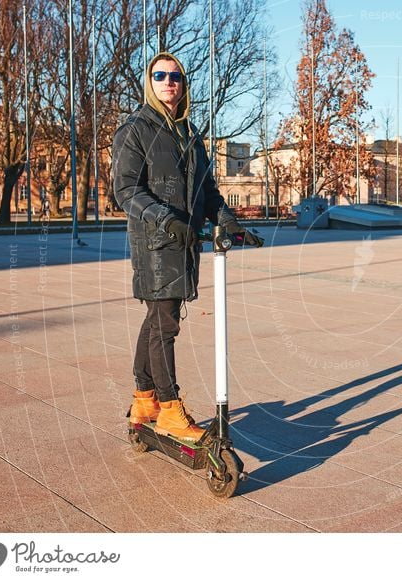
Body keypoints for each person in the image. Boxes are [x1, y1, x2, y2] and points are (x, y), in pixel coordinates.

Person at [112, 51, 262, 442]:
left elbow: (207, 190)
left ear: (183, 84)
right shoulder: (135, 129)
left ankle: (144, 398)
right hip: (156, 240)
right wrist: (164, 218)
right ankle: (170, 409)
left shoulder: (190, 134)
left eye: (175, 76)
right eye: (160, 75)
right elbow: (126, 190)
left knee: (158, 319)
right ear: (150, 82)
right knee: (165, 324)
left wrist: (227, 219)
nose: (168, 82)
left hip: (184, 240)